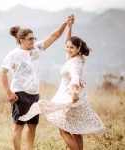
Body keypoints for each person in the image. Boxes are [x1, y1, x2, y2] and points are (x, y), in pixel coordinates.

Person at [18, 15, 105, 150]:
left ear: (78, 49)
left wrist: (75, 92)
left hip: (71, 97)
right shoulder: (75, 57)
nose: (68, 49)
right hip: (75, 97)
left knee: (64, 131)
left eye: (71, 48)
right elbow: (67, 42)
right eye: (68, 47)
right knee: (75, 130)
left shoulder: (74, 63)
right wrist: (69, 27)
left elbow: (75, 77)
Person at [0, 15, 74, 150]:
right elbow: (2, 72)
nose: (33, 41)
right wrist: (9, 92)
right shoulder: (13, 54)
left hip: (34, 95)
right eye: (30, 39)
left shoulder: (36, 49)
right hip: (19, 93)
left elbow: (54, 36)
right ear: (21, 40)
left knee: (32, 126)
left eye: (34, 38)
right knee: (18, 126)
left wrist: (65, 23)